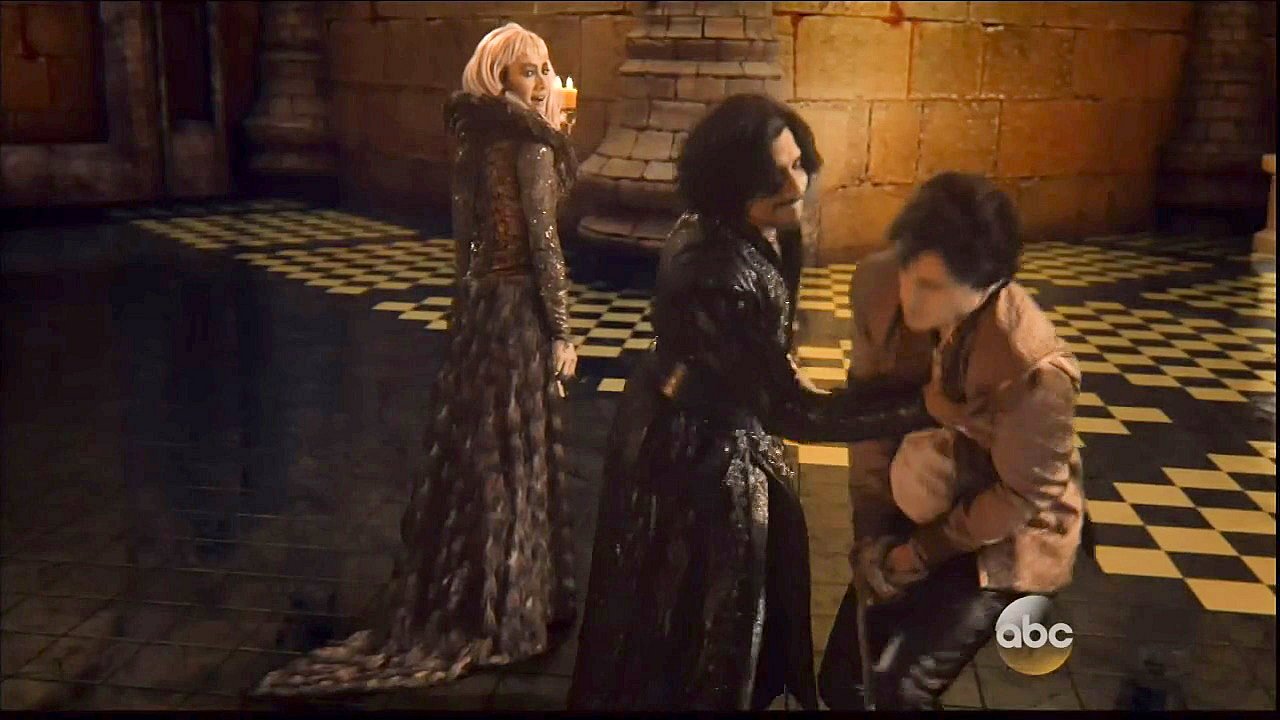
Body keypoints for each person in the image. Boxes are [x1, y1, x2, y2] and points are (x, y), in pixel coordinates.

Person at [567, 94, 938, 711]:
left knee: (728, 610)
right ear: (730, 183)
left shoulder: (755, 226)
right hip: (692, 451)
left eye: (798, 164)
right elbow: (792, 412)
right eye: (774, 176)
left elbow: (768, 364)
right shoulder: (716, 269)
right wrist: (924, 405)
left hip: (712, 427)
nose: (796, 186)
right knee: (701, 617)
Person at [253, 22, 580, 696]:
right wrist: (564, 332)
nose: (542, 82)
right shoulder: (528, 144)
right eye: (528, 71)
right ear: (499, 78)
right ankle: (509, 611)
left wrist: (468, 312)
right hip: (517, 312)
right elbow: (545, 244)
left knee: (481, 456)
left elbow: (468, 242)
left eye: (546, 69)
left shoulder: (473, 138)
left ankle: (476, 596)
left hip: (479, 313)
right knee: (513, 457)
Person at [817, 172, 1087, 710]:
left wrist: (921, 552)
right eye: (908, 271)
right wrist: (873, 532)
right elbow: (868, 423)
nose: (909, 295)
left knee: (901, 691)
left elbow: (1023, 496)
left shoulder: (1032, 368)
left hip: (1001, 531)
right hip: (917, 497)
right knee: (845, 682)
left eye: (932, 287)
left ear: (987, 287)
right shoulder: (879, 286)